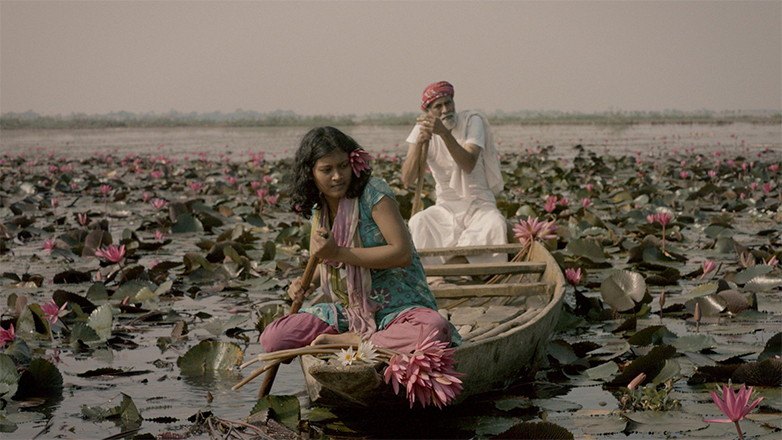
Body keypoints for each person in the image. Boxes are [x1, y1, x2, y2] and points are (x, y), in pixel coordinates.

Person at [260, 126, 458, 354]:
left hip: (400, 308)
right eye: (327, 169)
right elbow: (325, 259)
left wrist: (338, 253)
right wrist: (305, 284)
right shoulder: (319, 208)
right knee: (273, 339)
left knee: (436, 329)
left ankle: (354, 342)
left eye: (343, 166)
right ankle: (361, 338)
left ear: (353, 163)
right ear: (311, 173)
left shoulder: (374, 193)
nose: (337, 176)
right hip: (351, 310)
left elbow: (402, 254)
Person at [401, 81, 508, 280]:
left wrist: (442, 133)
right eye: (438, 107)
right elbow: (407, 179)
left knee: (495, 224)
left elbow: (468, 164)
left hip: (479, 203)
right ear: (428, 112)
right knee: (419, 221)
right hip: (446, 206)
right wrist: (418, 145)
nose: (445, 110)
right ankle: (439, 279)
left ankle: (447, 273)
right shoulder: (421, 127)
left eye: (448, 103)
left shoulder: (471, 121)